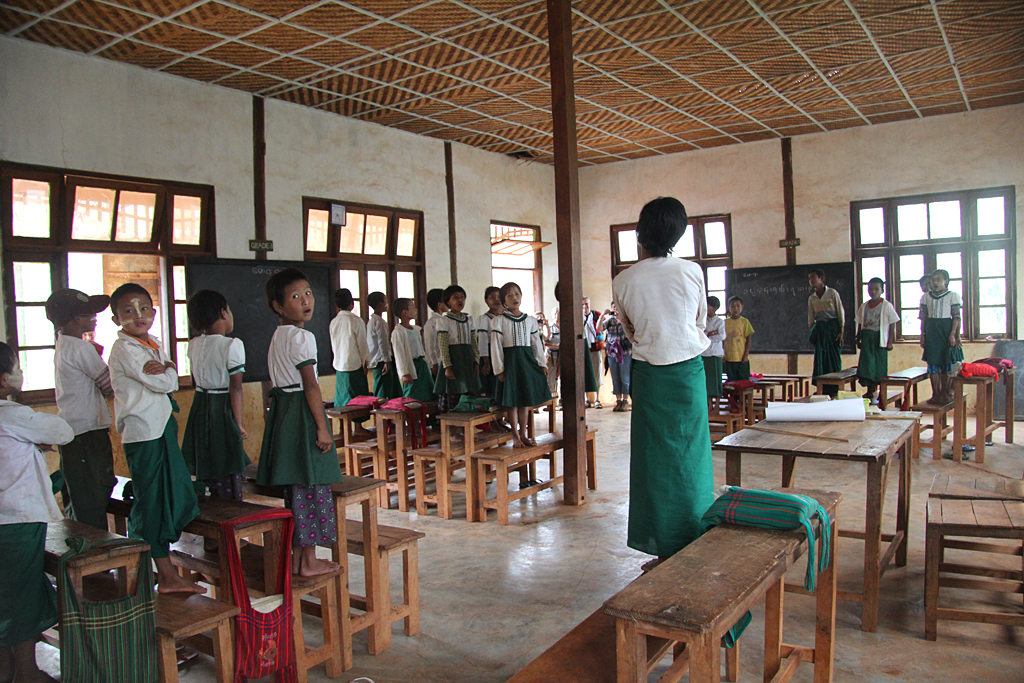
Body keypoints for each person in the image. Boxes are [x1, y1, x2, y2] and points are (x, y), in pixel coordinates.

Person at [612, 196, 714, 568]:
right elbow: (699, 322)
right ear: (679, 233)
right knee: (692, 458)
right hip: (687, 373)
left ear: (640, 234)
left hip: (649, 376)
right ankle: (692, 540)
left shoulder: (623, 280)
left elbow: (630, 330)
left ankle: (662, 546)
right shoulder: (692, 271)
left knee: (653, 462)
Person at [107, 283, 202, 593]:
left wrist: (167, 369)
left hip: (161, 426)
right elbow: (161, 381)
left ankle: (168, 568)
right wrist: (167, 369)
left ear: (154, 311)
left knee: (171, 491)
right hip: (143, 433)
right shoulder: (125, 348)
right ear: (116, 319)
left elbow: (168, 378)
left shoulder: (152, 342)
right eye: (128, 311)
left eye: (144, 308)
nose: (138, 315)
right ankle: (164, 573)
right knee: (151, 501)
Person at [256, 268, 343, 577]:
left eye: (308, 293)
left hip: (284, 415)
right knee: (313, 486)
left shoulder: (279, 335)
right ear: (278, 306)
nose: (306, 300)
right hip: (303, 414)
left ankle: (297, 558)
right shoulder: (302, 337)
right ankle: (309, 560)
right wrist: (322, 427)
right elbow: (311, 386)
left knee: (297, 491)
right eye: (295, 296)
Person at [0, 342, 73, 683]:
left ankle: (7, 668)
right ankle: (27, 671)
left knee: (5, 594)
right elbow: (62, 431)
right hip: (18, 520)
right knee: (23, 595)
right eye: (15, 367)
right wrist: (33, 436)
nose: (20, 372)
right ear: (3, 380)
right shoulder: (12, 414)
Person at [45, 288, 116, 531]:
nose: (95, 318)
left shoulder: (63, 345)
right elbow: (110, 386)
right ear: (76, 318)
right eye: (90, 314)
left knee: (78, 499)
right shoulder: (81, 348)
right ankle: (97, 561)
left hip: (73, 433)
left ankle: (85, 555)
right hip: (88, 434)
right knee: (93, 499)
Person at [181, 289, 251, 503]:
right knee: (226, 462)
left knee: (206, 460)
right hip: (222, 408)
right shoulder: (231, 345)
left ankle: (209, 509)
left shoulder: (194, 344)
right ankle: (230, 515)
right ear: (223, 313)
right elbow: (236, 388)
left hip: (200, 406)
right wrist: (237, 423)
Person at [490, 282, 550, 448]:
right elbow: (495, 346)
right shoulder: (499, 321)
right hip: (510, 363)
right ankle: (515, 435)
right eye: (509, 295)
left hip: (526, 362)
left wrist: (541, 363)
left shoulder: (530, 320)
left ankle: (523, 433)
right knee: (512, 402)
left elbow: (536, 343)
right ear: (504, 301)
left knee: (524, 401)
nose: (514, 297)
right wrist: (499, 369)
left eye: (517, 294)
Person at [434, 285, 481, 411]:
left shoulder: (469, 319)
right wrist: (447, 366)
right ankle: (454, 427)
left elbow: (474, 343)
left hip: (467, 360)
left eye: (462, 297)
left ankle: (466, 427)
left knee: (468, 395)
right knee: (453, 394)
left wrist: (476, 362)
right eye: (455, 297)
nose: (460, 300)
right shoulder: (444, 321)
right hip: (454, 361)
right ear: (448, 301)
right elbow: (443, 346)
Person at [920, 269, 964, 405]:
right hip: (931, 332)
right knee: (933, 365)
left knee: (946, 365)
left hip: (946, 331)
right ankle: (936, 393)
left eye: (939, 279)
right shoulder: (926, 297)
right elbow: (924, 318)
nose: (935, 282)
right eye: (933, 280)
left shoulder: (953, 296)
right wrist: (922, 335)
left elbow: (956, 317)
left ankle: (945, 393)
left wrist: (953, 335)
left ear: (946, 281)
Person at [855, 278, 900, 404]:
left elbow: (892, 323)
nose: (873, 291)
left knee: (879, 366)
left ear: (882, 290)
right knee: (867, 366)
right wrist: (858, 338)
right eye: (870, 289)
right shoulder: (864, 306)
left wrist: (890, 341)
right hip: (867, 338)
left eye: (876, 289)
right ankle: (870, 390)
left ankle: (881, 392)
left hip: (880, 339)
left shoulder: (886, 305)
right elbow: (860, 323)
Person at [329, 288, 370, 408]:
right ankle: (357, 427)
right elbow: (362, 344)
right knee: (358, 400)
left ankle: (343, 427)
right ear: (352, 303)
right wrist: (365, 362)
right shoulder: (357, 321)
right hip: (355, 366)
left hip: (340, 365)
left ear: (336, 305)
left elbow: (334, 344)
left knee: (343, 398)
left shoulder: (334, 322)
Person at [808, 268, 845, 396]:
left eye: (813, 277)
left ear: (821, 278)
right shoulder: (812, 298)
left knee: (833, 358)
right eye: (810, 278)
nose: (811, 280)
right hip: (820, 329)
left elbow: (840, 312)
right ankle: (821, 388)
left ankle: (834, 388)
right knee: (820, 359)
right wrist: (813, 333)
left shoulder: (832, 293)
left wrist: (841, 331)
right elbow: (811, 317)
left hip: (832, 328)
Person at [392, 298, 435, 402]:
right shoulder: (398, 332)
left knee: (429, 394)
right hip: (411, 367)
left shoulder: (415, 329)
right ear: (405, 312)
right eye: (412, 307)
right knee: (412, 396)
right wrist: (404, 372)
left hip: (422, 366)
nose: (416, 310)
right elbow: (399, 354)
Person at [367, 291, 401, 400]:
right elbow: (383, 343)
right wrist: (386, 360)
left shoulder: (372, 321)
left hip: (378, 359)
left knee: (384, 388)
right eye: (385, 301)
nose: (387, 304)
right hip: (382, 361)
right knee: (384, 391)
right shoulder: (379, 322)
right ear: (379, 304)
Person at [603, 303, 632, 412]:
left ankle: (625, 401)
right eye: (613, 307)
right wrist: (603, 315)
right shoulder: (610, 321)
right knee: (615, 377)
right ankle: (618, 400)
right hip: (613, 353)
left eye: (617, 307)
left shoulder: (626, 320)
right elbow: (599, 328)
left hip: (625, 352)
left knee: (625, 377)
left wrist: (620, 318)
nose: (615, 309)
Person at [477, 287, 503, 399]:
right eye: (492, 297)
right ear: (486, 300)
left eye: (498, 297)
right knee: (492, 386)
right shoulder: (484, 319)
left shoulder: (503, 318)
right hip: (490, 355)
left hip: (501, 354)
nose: (496, 299)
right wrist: (486, 361)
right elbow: (482, 341)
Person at [702, 295, 726, 409]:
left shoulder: (719, 322)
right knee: (707, 381)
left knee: (716, 380)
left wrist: (708, 337)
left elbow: (721, 335)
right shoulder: (702, 321)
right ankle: (709, 404)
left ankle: (717, 405)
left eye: (709, 306)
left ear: (715, 307)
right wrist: (710, 333)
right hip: (704, 354)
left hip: (715, 354)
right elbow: (701, 334)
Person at [723, 296, 754, 381]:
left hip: (741, 358)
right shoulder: (725, 323)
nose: (735, 308)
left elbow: (748, 340)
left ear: (742, 307)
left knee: (743, 383)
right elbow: (722, 340)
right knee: (731, 384)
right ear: (729, 308)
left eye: (738, 306)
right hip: (729, 358)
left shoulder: (745, 322)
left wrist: (746, 356)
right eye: (732, 306)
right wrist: (723, 354)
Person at [422, 288, 448, 381]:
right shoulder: (431, 323)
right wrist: (435, 363)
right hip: (437, 363)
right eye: (446, 301)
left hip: (445, 362)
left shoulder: (445, 320)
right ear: (439, 304)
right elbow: (430, 346)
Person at [583, 297, 603, 408]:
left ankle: (597, 399)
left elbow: (603, 326)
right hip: (584, 350)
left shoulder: (596, 315)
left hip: (595, 348)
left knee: (597, 373)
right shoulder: (577, 317)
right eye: (582, 305)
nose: (585, 307)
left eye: (586, 304)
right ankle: (587, 399)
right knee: (585, 374)